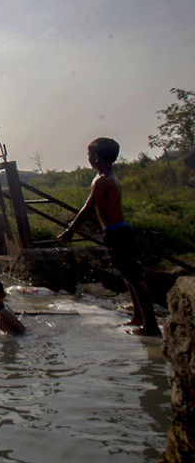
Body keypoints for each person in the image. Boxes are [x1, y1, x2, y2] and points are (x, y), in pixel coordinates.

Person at [57, 137, 160, 337]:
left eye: (89, 155)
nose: (88, 158)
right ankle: (139, 317)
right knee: (128, 276)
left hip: (117, 232)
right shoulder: (108, 177)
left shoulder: (103, 181)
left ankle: (151, 326)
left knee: (135, 279)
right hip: (115, 231)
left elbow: (88, 209)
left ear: (96, 158)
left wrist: (71, 230)